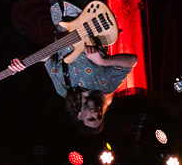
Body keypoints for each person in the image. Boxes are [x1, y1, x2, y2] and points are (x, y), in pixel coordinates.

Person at [7, 24, 136, 133]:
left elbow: (48, 58)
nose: (96, 114)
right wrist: (104, 61)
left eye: (91, 118)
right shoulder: (106, 86)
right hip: (86, 19)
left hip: (60, 19)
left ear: (79, 116)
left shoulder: (62, 90)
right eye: (99, 117)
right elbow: (132, 60)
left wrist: (24, 62)